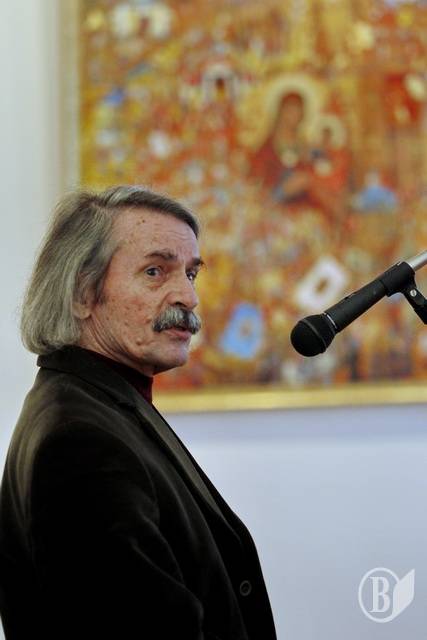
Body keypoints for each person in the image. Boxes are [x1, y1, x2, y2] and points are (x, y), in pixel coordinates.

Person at [0, 186, 276, 640]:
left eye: (190, 273)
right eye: (155, 271)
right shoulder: (80, 441)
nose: (187, 296)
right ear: (81, 294)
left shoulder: (103, 403)